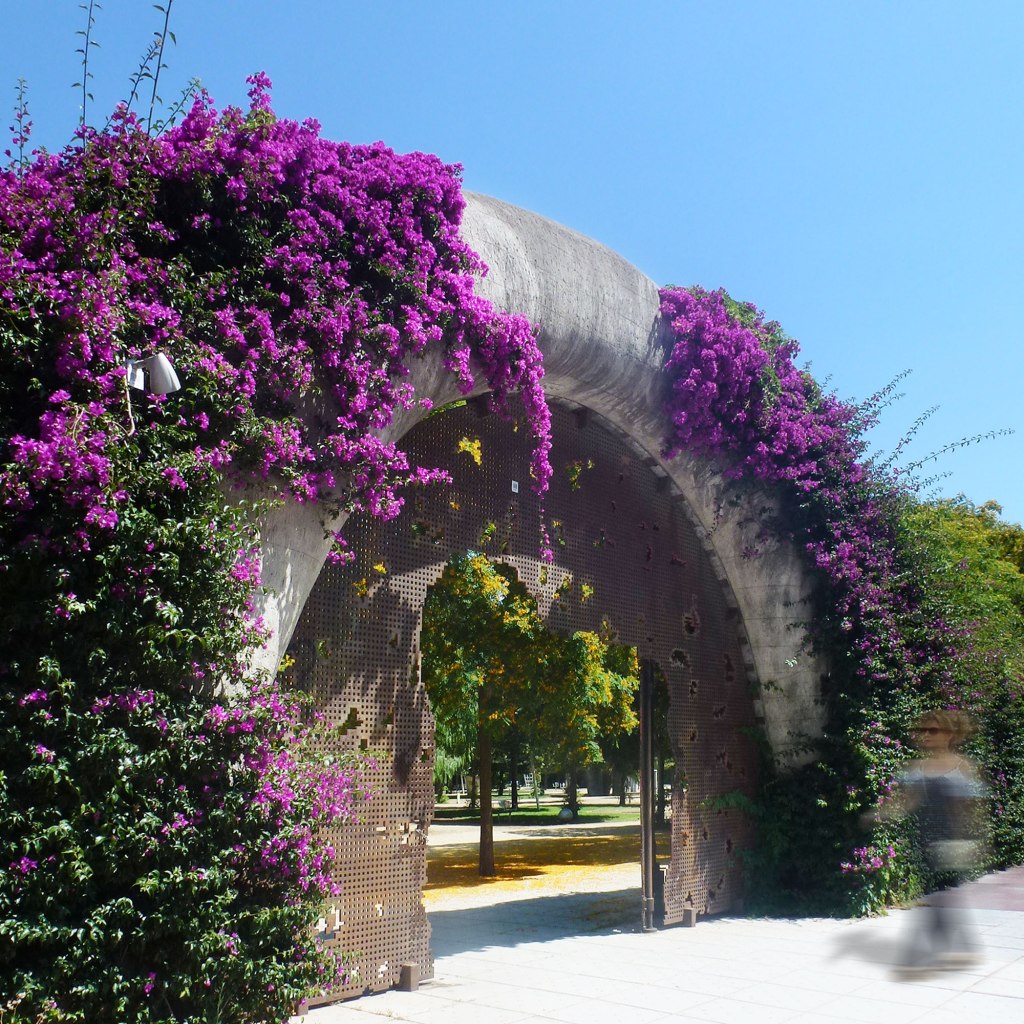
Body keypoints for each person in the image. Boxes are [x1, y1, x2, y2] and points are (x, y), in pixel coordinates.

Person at [890, 709, 987, 976]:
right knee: (941, 899)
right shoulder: (916, 767)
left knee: (941, 898)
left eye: (933, 730)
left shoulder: (962, 766)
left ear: (949, 735)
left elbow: (969, 806)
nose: (926, 736)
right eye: (922, 731)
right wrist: (882, 815)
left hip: (952, 841)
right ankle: (957, 950)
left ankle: (942, 952)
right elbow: (909, 803)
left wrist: (975, 839)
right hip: (927, 841)